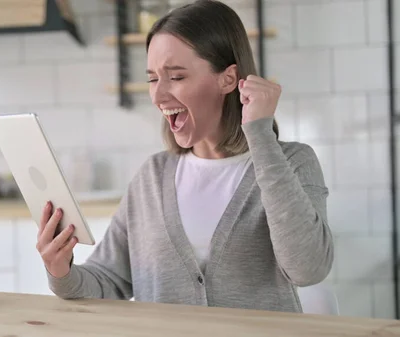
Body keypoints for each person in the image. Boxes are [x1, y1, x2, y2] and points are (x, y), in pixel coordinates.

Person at [35, 0, 333, 313]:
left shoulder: (293, 162)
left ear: (228, 79)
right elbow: (108, 278)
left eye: (176, 77)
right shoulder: (152, 176)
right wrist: (61, 270)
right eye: (152, 78)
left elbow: (308, 269)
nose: (158, 95)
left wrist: (259, 135)